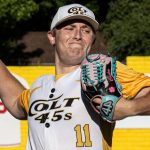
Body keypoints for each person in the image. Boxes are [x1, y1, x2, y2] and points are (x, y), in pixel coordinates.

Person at [0, 3, 150, 150]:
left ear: (93, 39)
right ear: (52, 36)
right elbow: (15, 102)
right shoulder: (39, 86)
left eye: (86, 30)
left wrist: (131, 107)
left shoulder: (103, 71)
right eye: (69, 28)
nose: (77, 35)